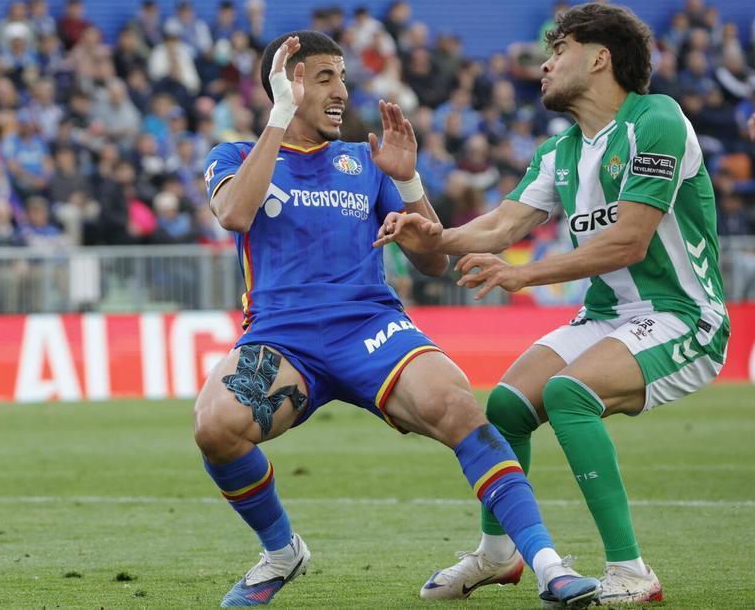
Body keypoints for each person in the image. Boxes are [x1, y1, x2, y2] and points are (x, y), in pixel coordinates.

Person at [194, 31, 600, 607]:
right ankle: (282, 552)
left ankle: (547, 565)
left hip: (370, 328)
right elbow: (235, 214)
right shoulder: (234, 156)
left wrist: (408, 182)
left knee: (459, 406)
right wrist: (280, 118)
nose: (342, 91)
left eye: (343, 77)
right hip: (283, 340)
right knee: (215, 425)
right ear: (287, 85)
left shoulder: (367, 162)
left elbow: (433, 262)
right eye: (325, 78)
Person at [376, 3, 728, 606]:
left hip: (684, 314)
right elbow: (500, 226)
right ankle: (498, 553)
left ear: (599, 58)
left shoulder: (657, 119)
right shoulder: (560, 150)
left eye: (558, 50)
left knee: (570, 393)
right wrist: (432, 233)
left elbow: (629, 241)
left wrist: (524, 275)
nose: (544, 64)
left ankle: (632, 570)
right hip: (608, 316)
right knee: (506, 406)